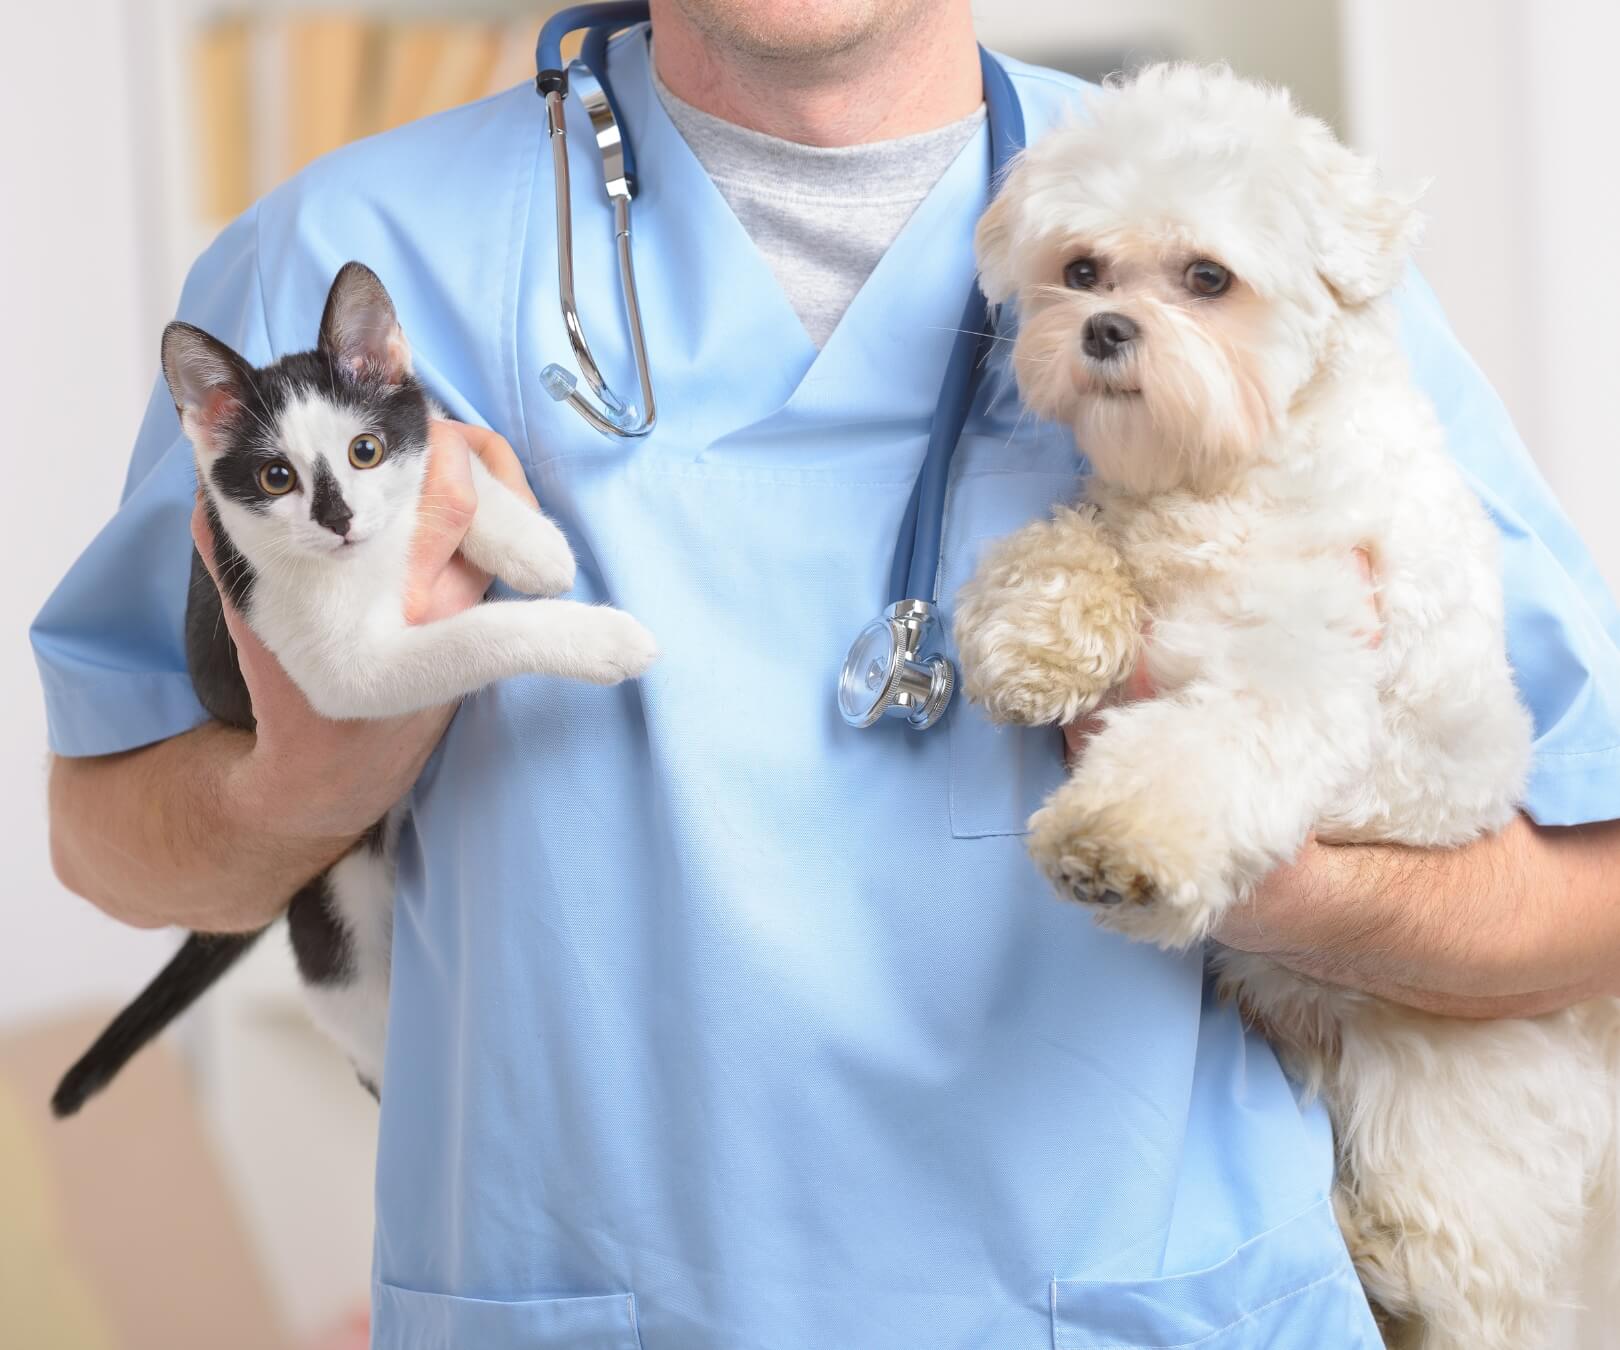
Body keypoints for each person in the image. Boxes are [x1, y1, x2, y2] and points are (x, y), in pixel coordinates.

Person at [34, 2, 1620, 1346]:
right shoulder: (355, 259)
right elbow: (103, 830)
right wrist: (309, 780)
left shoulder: (1233, 226)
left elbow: (1592, 886)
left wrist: (1255, 853)